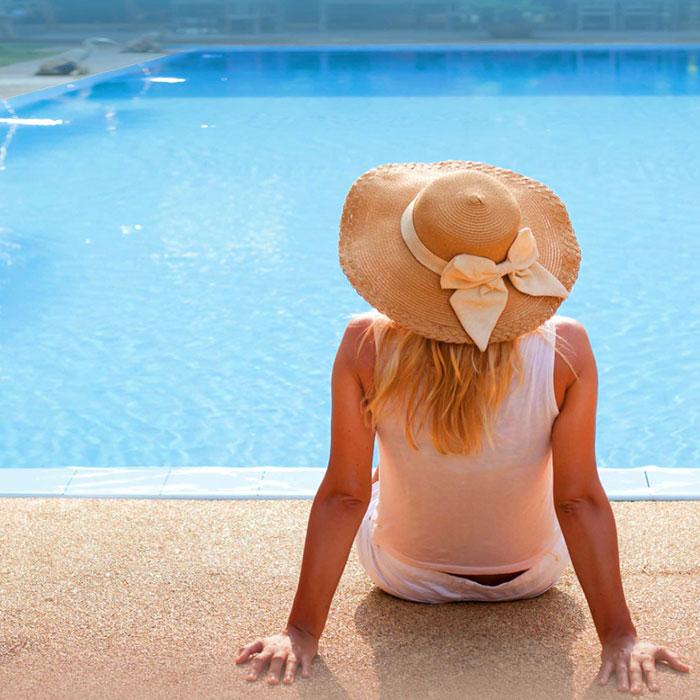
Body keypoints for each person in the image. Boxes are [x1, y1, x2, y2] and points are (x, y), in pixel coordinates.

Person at [235, 161, 692, 692]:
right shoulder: (567, 347)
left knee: (375, 476)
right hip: (531, 574)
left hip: (405, 575)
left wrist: (300, 632)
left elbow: (344, 496)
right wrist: (620, 636)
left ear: (406, 263)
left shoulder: (364, 343)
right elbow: (577, 501)